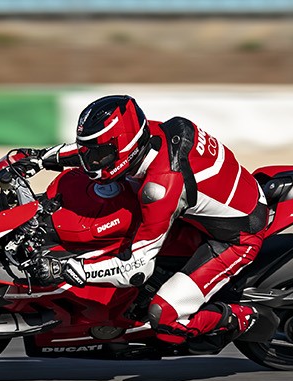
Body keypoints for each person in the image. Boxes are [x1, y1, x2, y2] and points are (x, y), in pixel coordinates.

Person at [14, 94, 267, 350]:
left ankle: (242, 319)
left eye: (100, 154)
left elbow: (136, 270)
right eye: (90, 151)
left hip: (236, 238)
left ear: (124, 147)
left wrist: (68, 269)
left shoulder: (159, 189)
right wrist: (40, 158)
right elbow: (91, 151)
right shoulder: (149, 134)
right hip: (207, 206)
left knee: (164, 316)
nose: (91, 161)